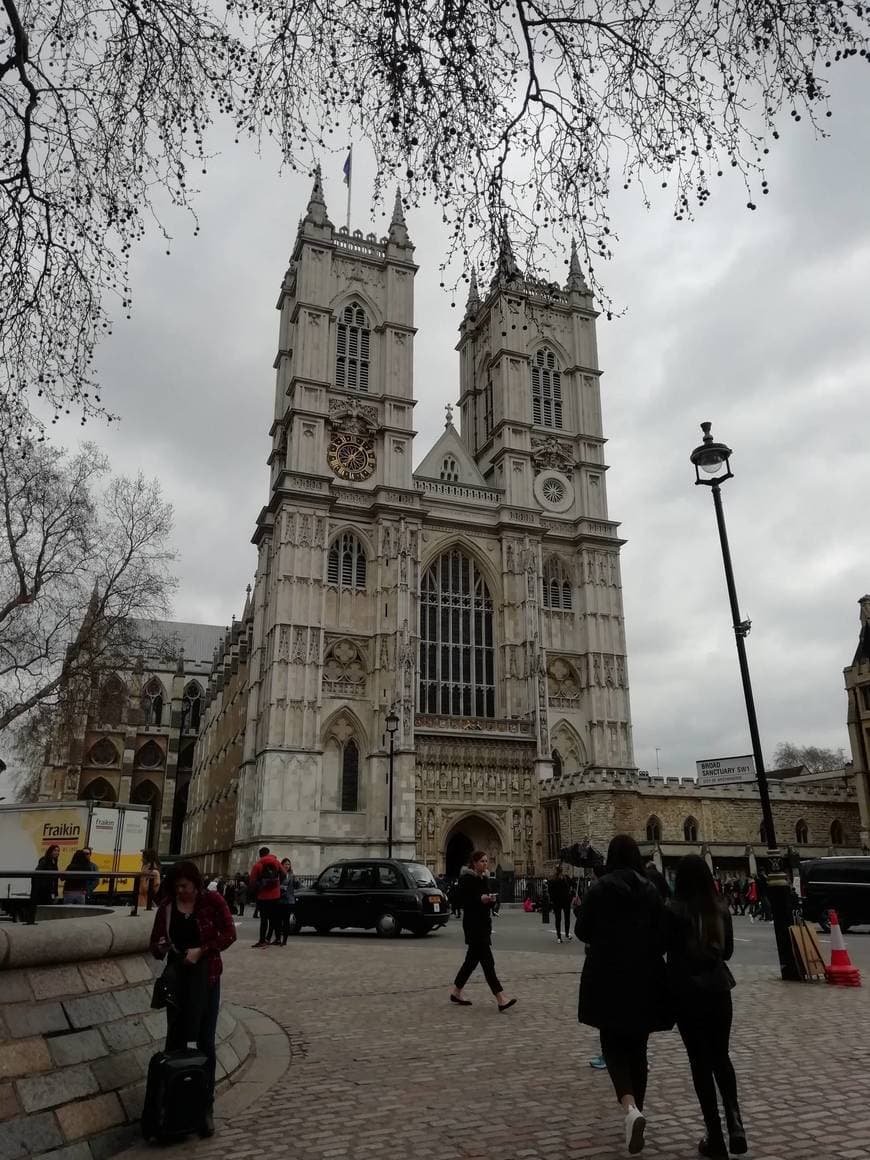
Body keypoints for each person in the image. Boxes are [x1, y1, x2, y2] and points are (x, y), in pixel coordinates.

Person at [575, 835, 672, 1155]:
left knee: (612, 1044)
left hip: (608, 976)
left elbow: (582, 931)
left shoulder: (600, 888)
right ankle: (638, 1111)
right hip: (645, 977)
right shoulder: (651, 889)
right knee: (638, 1049)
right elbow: (663, 935)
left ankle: (631, 1109)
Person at [667, 855, 747, 1158]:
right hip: (718, 990)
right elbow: (727, 952)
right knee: (721, 1057)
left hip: (687, 993)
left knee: (699, 1063)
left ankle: (715, 1135)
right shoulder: (720, 909)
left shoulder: (673, 911)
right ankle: (736, 1123)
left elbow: (665, 948)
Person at [149, 861, 236, 1134]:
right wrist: (163, 947)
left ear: (196, 885)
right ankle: (173, 1107)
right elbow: (155, 945)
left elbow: (229, 934)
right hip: (178, 981)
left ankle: (204, 1107)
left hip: (207, 978)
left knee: (205, 1042)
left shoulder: (212, 900)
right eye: (176, 887)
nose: (180, 892)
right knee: (174, 1040)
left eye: (184, 887)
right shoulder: (167, 907)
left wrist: (202, 950)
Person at [449, 851, 517, 1012]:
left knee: (471, 962)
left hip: (483, 924)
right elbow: (461, 901)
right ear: (474, 862)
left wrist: (490, 901)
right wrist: (480, 899)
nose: (485, 864)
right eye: (482, 861)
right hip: (473, 925)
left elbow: (483, 900)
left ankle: (456, 992)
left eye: (486, 861)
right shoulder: (466, 879)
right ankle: (500, 998)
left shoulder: (484, 879)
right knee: (488, 963)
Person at [249, 846, 285, 947]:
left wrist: (258, 889)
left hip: (263, 896)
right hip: (275, 895)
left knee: (264, 919)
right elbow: (284, 875)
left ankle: (262, 940)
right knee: (275, 918)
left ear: (260, 855)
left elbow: (252, 881)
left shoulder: (258, 864)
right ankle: (278, 939)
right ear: (269, 853)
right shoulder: (276, 862)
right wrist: (277, 884)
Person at [272, 857, 298, 945]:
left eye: (288, 864)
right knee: (277, 921)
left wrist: (296, 881)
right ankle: (278, 938)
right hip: (279, 900)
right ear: (281, 865)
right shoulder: (278, 874)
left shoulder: (292, 875)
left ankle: (284, 940)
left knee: (286, 921)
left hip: (288, 901)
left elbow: (297, 886)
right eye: (285, 864)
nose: (287, 866)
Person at [30, 844, 60, 918]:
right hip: (43, 891)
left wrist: (56, 893)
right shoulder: (44, 861)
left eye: (58, 851)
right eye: (55, 850)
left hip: (50, 890)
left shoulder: (54, 862)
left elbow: (55, 879)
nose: (57, 852)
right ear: (50, 851)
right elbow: (37, 873)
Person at [549, 865, 573, 943]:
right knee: (565, 919)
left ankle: (560, 937)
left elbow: (550, 891)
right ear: (561, 870)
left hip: (560, 901)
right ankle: (564, 934)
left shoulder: (555, 879)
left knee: (559, 919)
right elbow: (572, 884)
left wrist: (552, 901)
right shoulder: (562, 878)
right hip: (563, 901)